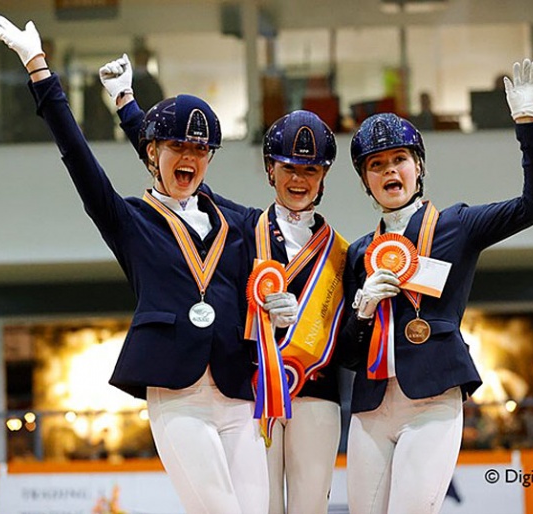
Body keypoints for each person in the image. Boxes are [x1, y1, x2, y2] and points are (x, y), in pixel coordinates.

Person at [0, 12, 293, 514]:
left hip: (238, 390)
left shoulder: (236, 221)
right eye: (175, 147)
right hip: (179, 395)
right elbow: (79, 157)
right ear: (153, 152)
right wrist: (38, 66)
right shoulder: (129, 220)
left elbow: (173, 165)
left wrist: (128, 103)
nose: (188, 157)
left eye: (199, 149)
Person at [99, 53, 347, 514]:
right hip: (252, 382)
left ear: (324, 178)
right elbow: (175, 164)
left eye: (310, 170)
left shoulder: (341, 251)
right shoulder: (246, 224)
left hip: (312, 387)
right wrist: (126, 106)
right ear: (270, 169)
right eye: (289, 167)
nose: (298, 179)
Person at [339, 58, 533, 514]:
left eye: (399, 159)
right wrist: (360, 311)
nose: (389, 170)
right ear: (365, 182)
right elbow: (349, 355)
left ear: (419, 168)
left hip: (432, 402)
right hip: (371, 408)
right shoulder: (359, 253)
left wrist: (528, 124)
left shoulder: (457, 225)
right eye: (376, 165)